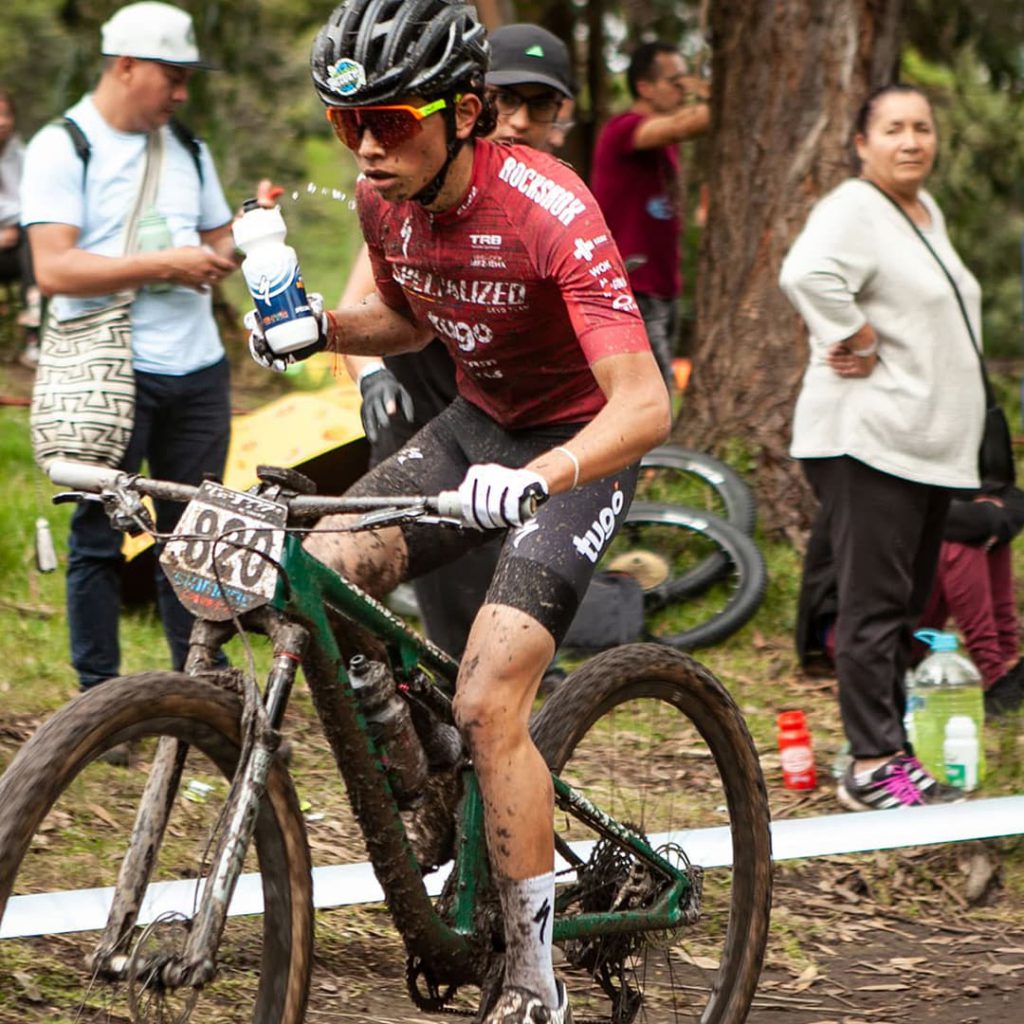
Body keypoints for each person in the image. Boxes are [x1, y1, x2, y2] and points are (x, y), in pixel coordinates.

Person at [248, 2, 669, 1020]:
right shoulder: (379, 200)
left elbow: (647, 403)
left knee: (489, 701)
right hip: (476, 426)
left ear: (466, 110)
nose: (366, 149)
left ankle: (532, 975)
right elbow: (404, 315)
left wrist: (549, 472)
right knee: (318, 573)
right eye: (347, 126)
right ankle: (432, 777)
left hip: (576, 448)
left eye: (389, 121)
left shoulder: (547, 206)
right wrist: (318, 326)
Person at [20, 2, 238, 707]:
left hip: (198, 367)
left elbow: (218, 236)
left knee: (196, 538)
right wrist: (163, 265)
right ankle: (95, 702)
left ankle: (197, 693)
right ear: (124, 67)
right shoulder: (64, 146)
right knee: (97, 536)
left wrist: (231, 251)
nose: (180, 93)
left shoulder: (189, 147)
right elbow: (53, 269)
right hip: (112, 372)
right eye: (171, 77)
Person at [339, 22, 577, 660]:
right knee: (446, 601)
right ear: (471, 103)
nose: (522, 119)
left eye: (542, 103)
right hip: (422, 414)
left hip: (515, 425)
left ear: (564, 113)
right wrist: (370, 376)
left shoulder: (553, 198)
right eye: (509, 99)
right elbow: (361, 304)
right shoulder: (414, 189)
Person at [780, 83, 985, 812]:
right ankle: (872, 764)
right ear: (862, 143)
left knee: (904, 606)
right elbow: (806, 274)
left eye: (922, 128)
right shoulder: (854, 208)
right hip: (867, 442)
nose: (911, 141)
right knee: (874, 608)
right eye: (893, 128)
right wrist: (855, 336)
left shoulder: (922, 214)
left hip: (920, 449)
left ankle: (890, 741)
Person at [796, 486, 1024, 719]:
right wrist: (990, 513)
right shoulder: (863, 475)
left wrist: (992, 516)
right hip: (853, 635)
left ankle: (1005, 662)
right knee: (961, 542)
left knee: (987, 535)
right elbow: (933, 517)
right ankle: (993, 673)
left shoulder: (945, 466)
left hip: (906, 630)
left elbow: (1011, 497)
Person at [591, 41, 710, 391]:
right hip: (634, 286)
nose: (683, 90)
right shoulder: (624, 129)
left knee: (658, 387)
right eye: (676, 81)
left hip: (665, 286)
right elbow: (688, 124)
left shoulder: (660, 143)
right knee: (652, 391)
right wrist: (707, 89)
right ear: (644, 87)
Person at [0, 88, 41, 366]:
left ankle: (33, 335)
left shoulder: (27, 157)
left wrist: (16, 224)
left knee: (36, 244)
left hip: (17, 248)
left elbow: (39, 201)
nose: (2, 121)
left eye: (6, 114)